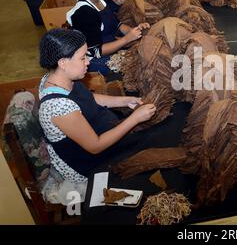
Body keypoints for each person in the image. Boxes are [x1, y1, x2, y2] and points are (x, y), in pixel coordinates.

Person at [38, 28, 156, 186]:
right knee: (150, 148)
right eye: (82, 58)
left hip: (97, 133)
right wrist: (134, 119)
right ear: (63, 63)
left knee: (150, 137)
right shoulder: (57, 107)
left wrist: (124, 101)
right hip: (88, 162)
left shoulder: (58, 78)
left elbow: (88, 98)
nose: (88, 61)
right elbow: (95, 146)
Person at [67, 0, 148, 75]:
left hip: (110, 47)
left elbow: (118, 25)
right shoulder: (84, 13)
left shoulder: (101, 1)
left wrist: (135, 30)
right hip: (93, 61)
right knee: (140, 67)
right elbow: (96, 52)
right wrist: (127, 39)